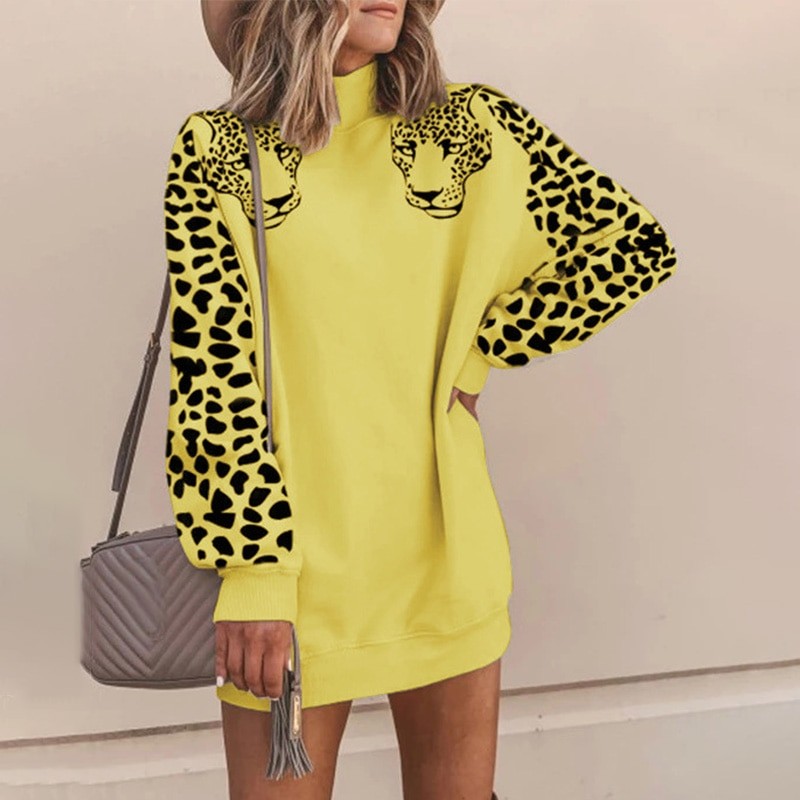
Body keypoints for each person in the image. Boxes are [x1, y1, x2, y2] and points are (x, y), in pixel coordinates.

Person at [163, 0, 678, 797]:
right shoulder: (220, 151)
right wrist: (254, 570)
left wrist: (475, 355)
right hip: (290, 578)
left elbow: (631, 245)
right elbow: (213, 375)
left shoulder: (476, 129)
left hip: (446, 559)